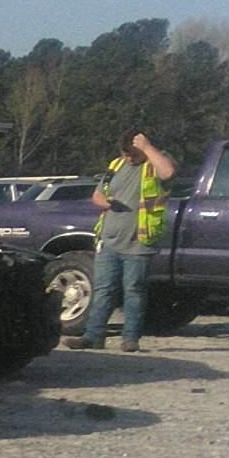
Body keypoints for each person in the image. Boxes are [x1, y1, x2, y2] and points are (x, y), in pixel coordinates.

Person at [77, 131, 177, 351]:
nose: (129, 159)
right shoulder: (116, 165)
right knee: (103, 289)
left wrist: (148, 147)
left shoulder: (154, 163)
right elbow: (97, 194)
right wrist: (104, 201)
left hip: (139, 241)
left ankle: (130, 338)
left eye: (133, 154)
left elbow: (168, 172)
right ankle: (93, 335)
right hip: (109, 239)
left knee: (134, 290)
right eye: (126, 154)